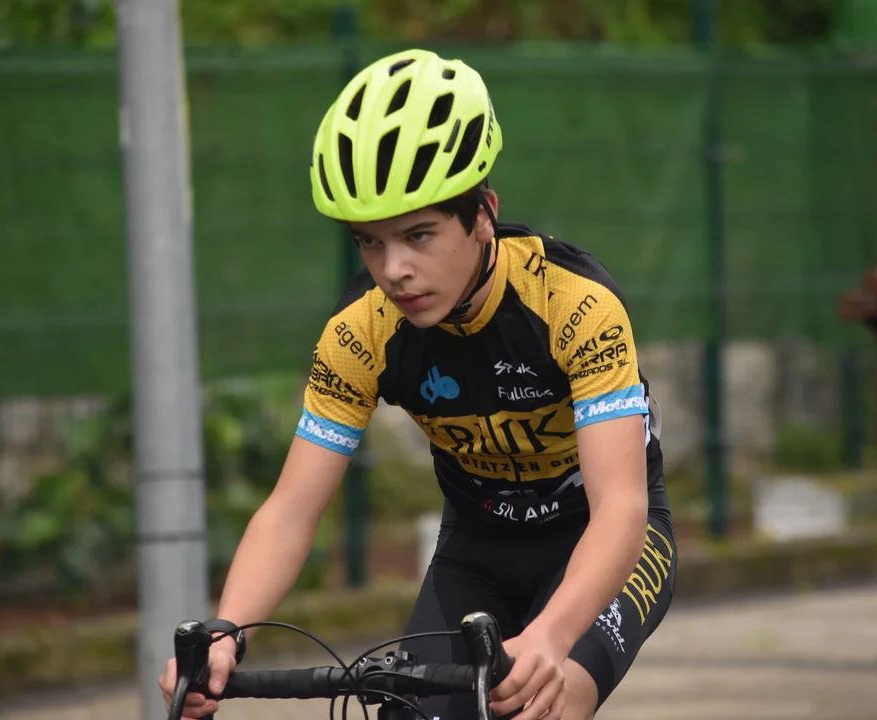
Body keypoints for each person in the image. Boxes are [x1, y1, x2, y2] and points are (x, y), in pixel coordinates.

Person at [160, 47, 677, 720]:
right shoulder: (360, 333)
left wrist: (551, 637)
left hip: (605, 541)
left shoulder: (574, 305)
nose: (393, 269)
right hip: (478, 549)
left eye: (419, 235)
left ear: (483, 214)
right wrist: (229, 631)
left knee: (545, 703)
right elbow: (290, 512)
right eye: (370, 242)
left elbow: (620, 508)